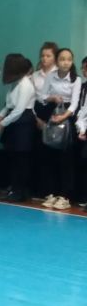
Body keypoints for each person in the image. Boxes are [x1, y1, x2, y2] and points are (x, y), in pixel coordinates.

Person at [37, 48, 81, 210]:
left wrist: (64, 117)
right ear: (57, 61)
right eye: (62, 59)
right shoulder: (51, 76)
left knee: (66, 158)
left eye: (69, 59)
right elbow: (42, 96)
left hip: (67, 117)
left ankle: (65, 196)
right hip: (52, 112)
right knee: (49, 156)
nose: (65, 62)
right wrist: (52, 98)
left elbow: (75, 103)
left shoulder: (76, 79)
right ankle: (51, 193)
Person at [0, 54, 35, 202]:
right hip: (14, 121)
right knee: (13, 157)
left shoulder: (25, 84)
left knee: (21, 159)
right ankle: (14, 188)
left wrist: (2, 123)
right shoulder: (15, 83)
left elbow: (19, 110)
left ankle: (20, 190)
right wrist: (0, 115)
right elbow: (9, 105)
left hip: (23, 122)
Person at [30, 42, 58, 200]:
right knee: (37, 153)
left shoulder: (59, 75)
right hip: (37, 114)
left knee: (51, 155)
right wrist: (36, 118)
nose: (44, 58)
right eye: (42, 55)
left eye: (48, 56)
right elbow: (31, 99)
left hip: (54, 114)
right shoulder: (35, 75)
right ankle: (38, 190)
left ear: (55, 58)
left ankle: (52, 191)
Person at [73, 56, 87, 209]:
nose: (85, 70)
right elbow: (82, 111)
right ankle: (82, 196)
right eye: (84, 68)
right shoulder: (82, 87)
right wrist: (81, 128)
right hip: (81, 130)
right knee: (82, 163)